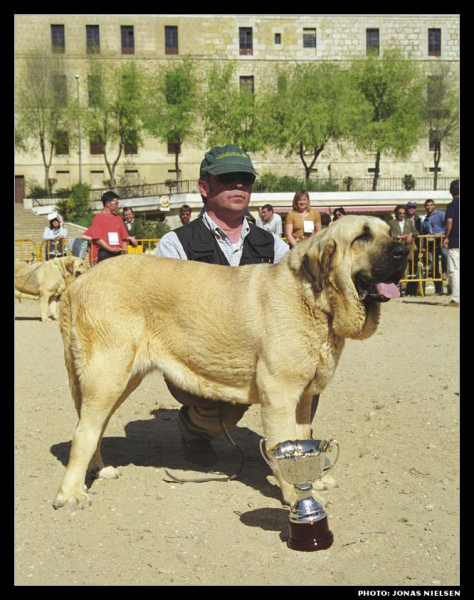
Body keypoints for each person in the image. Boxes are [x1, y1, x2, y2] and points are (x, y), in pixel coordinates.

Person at [155, 144, 289, 466]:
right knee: (225, 409)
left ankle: (294, 452)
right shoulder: (174, 244)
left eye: (246, 179)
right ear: (205, 187)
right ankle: (194, 429)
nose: (239, 186)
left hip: (260, 358)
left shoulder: (276, 247)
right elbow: (166, 316)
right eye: (228, 179)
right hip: (197, 360)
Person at [87, 192, 138, 263]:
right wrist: (110, 249)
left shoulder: (118, 218)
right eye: (116, 203)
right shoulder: (97, 218)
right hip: (104, 254)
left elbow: (124, 238)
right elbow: (98, 239)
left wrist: (125, 254)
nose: (118, 205)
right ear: (108, 203)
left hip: (118, 255)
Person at [389, 205, 419, 296]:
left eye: (404, 213)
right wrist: (399, 237)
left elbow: (417, 232)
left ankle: (404, 291)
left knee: (406, 270)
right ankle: (396, 290)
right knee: (396, 270)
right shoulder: (391, 222)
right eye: (400, 213)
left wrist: (410, 234)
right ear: (396, 214)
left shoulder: (409, 222)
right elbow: (389, 233)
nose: (402, 215)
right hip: (396, 250)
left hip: (407, 250)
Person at [420, 199, 446, 296]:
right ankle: (439, 290)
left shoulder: (441, 214)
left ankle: (445, 272)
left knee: (445, 255)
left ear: (434, 205)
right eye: (427, 205)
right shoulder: (425, 220)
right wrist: (422, 246)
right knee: (434, 267)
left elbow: (448, 226)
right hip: (431, 245)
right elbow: (422, 233)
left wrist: (442, 234)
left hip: (442, 242)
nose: (429, 207)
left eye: (430, 205)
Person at [443, 179, 459, 307]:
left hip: (455, 240)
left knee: (454, 270)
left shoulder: (452, 205)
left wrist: (446, 237)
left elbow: (449, 221)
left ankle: (456, 298)